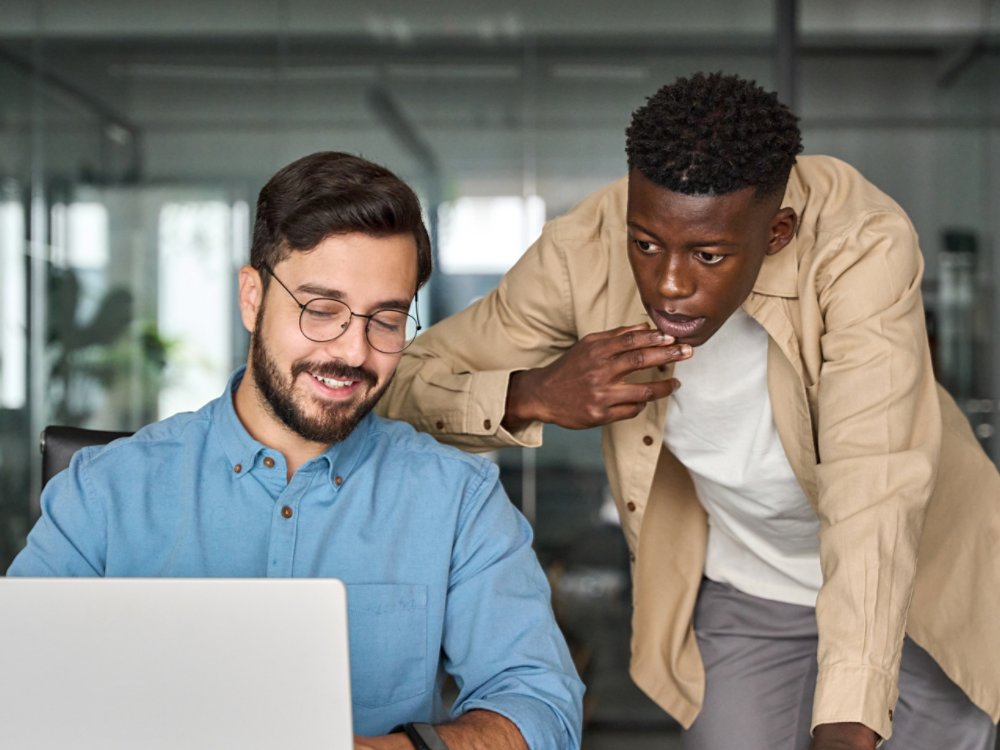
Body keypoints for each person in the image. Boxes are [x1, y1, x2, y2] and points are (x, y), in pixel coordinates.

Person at [378, 73, 1000, 750]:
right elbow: (405, 380)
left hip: (916, 575)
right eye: (646, 245)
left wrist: (847, 729)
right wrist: (531, 393)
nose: (669, 284)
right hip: (749, 586)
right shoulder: (581, 251)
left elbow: (873, 493)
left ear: (778, 232)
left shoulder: (861, 247)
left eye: (708, 255)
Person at [8, 152, 585, 750]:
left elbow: (542, 709)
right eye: (322, 310)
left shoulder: (459, 500)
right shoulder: (103, 491)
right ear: (252, 298)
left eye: (386, 320)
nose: (354, 352)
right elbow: (17, 690)